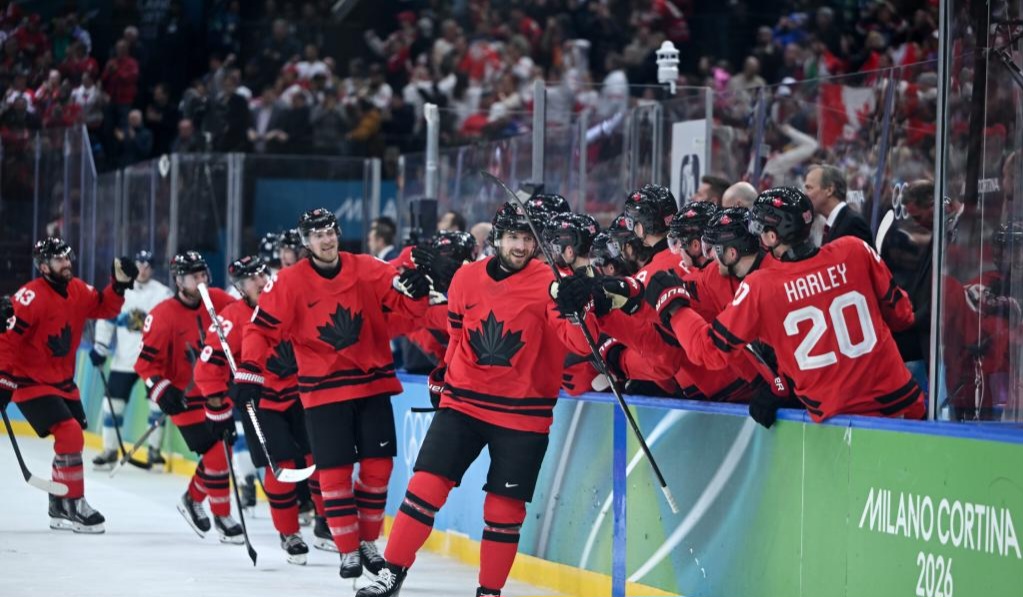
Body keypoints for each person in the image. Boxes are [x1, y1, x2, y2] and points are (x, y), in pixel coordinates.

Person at [356, 202, 595, 597]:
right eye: (514, 237)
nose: (521, 246)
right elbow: (456, 336)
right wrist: (444, 374)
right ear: (497, 238)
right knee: (424, 488)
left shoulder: (552, 282)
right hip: (464, 403)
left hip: (525, 415)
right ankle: (391, 574)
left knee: (503, 512)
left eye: (529, 238)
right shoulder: (465, 279)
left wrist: (578, 308)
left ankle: (489, 592)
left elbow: (575, 342)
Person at [234, 208, 432, 579]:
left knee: (378, 469)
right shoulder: (289, 282)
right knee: (335, 474)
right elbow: (260, 329)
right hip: (322, 391)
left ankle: (368, 541)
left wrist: (418, 294)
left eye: (330, 232)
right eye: (317, 235)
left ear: (338, 233)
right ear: (306, 242)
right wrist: (250, 369)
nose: (326, 240)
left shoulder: (369, 267)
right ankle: (347, 550)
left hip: (371, 383)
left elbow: (407, 309)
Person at [647, 187, 925, 425]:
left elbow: (710, 350)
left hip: (838, 421)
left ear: (770, 238)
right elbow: (902, 315)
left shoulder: (761, 286)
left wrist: (675, 308)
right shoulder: (855, 249)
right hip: (902, 406)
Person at [0, 238, 137, 533]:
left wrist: (118, 286)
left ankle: (58, 504)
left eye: (68, 257)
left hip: (62, 383)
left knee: (72, 437)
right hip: (30, 383)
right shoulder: (29, 298)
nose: (67, 263)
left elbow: (103, 307)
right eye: (60, 260)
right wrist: (3, 380)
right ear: (44, 265)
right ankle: (75, 503)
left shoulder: (78, 290)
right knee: (70, 432)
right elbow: (8, 341)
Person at [193, 255, 322, 564]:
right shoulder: (231, 317)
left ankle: (327, 523)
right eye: (252, 278)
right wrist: (218, 410)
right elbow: (206, 370)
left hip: (302, 396)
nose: (262, 281)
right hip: (262, 403)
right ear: (240, 287)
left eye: (263, 273)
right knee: (281, 467)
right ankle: (289, 533)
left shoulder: (289, 301)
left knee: (319, 461)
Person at [135, 251, 245, 544]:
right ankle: (222, 515)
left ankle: (193, 498)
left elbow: (247, 322)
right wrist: (162, 390)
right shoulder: (162, 315)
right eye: (193, 276)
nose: (200, 281)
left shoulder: (221, 301)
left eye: (203, 274)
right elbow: (144, 364)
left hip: (216, 393)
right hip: (185, 400)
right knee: (218, 453)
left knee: (221, 452)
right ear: (179, 280)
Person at [91, 250, 173, 469]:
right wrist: (100, 346)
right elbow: (106, 318)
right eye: (140, 265)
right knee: (112, 406)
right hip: (124, 360)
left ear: (153, 268)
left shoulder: (163, 294)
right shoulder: (121, 291)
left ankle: (154, 451)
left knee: (158, 405)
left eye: (148, 265)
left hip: (153, 363)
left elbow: (173, 325)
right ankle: (109, 450)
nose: (144, 269)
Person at [804, 164, 872, 245]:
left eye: (809, 188)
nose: (805, 194)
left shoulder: (853, 224)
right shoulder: (832, 224)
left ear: (829, 190)